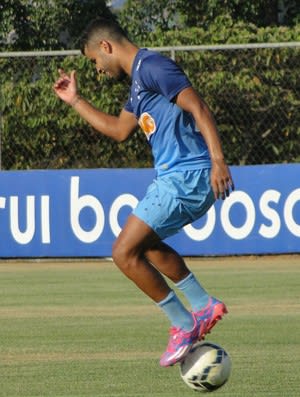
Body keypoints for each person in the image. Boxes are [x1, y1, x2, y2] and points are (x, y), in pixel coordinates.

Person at [53, 17, 234, 367]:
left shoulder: (153, 67)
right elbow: (120, 130)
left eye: (94, 61)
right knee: (144, 246)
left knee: (122, 252)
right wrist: (76, 101)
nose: (98, 70)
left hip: (188, 175)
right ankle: (202, 304)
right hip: (179, 177)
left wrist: (218, 160)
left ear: (106, 47)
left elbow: (198, 107)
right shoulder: (139, 84)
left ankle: (184, 324)